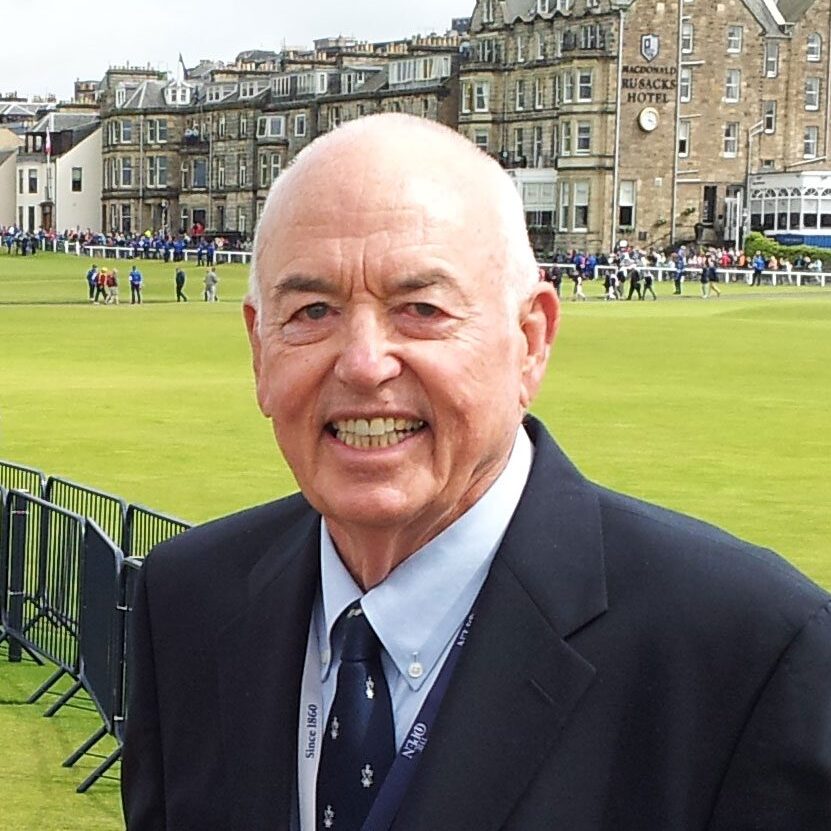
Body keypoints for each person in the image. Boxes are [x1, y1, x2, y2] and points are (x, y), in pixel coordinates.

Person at [122, 114, 831, 830]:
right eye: (312, 310)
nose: (364, 362)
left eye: (420, 308)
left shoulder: (749, 651)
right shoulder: (186, 599)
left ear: (529, 342)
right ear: (259, 350)